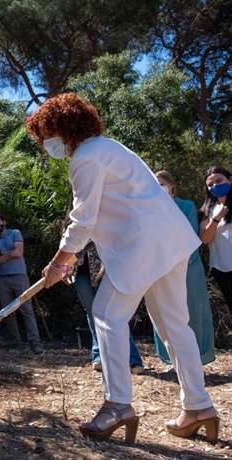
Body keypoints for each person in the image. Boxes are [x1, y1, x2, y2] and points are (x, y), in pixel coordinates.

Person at [26, 93, 219, 444]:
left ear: (62, 128)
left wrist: (58, 262)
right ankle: (198, 405)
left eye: (45, 136)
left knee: (105, 316)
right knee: (175, 325)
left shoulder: (84, 157)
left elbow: (82, 221)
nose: (45, 144)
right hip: (170, 239)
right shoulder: (109, 147)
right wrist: (65, 258)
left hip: (141, 245)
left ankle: (117, 405)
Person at [154, 170, 215, 365]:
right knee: (164, 314)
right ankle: (173, 360)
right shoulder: (150, 208)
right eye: (155, 183)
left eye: (162, 183)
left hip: (189, 266)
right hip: (161, 268)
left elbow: (190, 236)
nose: (159, 186)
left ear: (171, 185)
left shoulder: (186, 205)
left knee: (193, 311)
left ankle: (197, 359)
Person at [70, 241, 144, 374]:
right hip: (80, 274)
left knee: (113, 314)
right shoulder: (69, 224)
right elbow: (68, 248)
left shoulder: (99, 220)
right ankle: (98, 357)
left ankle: (133, 360)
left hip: (104, 272)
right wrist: (65, 269)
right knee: (91, 313)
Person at [0, 214, 43, 354]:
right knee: (7, 312)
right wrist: (9, 253)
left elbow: (18, 253)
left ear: (4, 222)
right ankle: (16, 342)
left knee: (26, 310)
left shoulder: (15, 233)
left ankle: (35, 343)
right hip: (2, 279)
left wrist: (0, 253)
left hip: (19, 277)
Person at [199, 166, 232, 316]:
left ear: (230, 180)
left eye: (219, 180)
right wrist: (216, 218)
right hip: (221, 268)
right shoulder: (207, 210)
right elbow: (204, 239)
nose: (215, 186)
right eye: (210, 184)